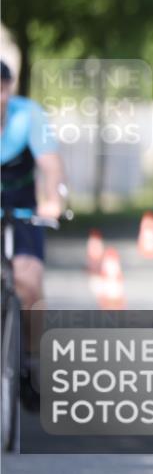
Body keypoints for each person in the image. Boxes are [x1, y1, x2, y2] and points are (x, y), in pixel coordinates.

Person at [0, 60, 66, 406]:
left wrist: (52, 199)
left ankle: (29, 360)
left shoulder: (29, 116)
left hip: (22, 209)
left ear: (8, 89)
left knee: (28, 279)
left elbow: (51, 165)